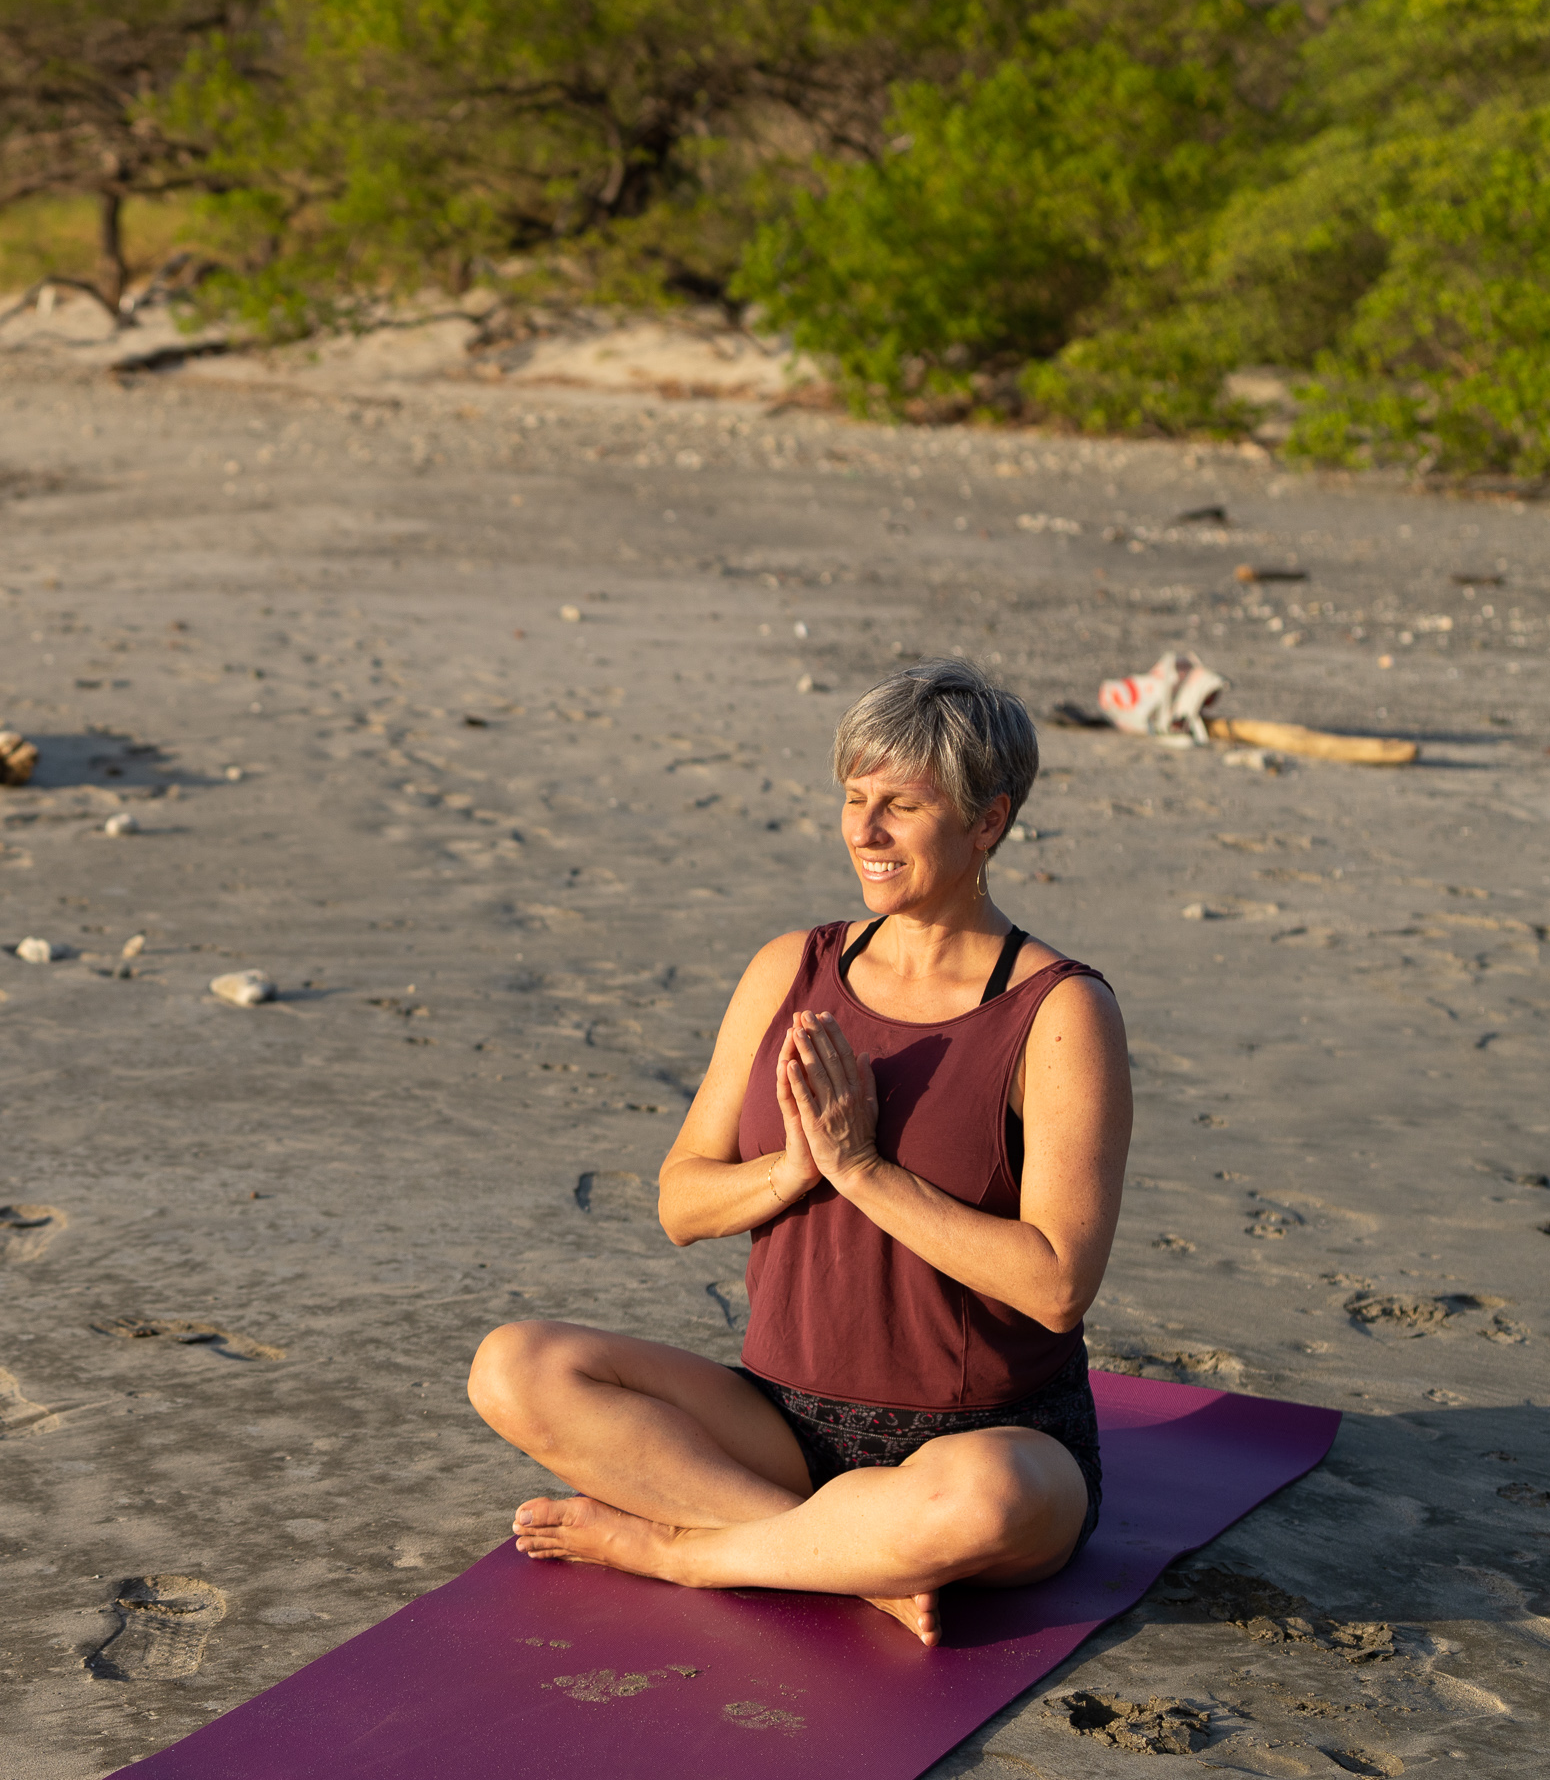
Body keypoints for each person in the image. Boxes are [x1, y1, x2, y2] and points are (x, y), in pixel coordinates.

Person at [467, 659, 1129, 1644]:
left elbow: (1054, 1286)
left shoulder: (1059, 1011)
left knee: (984, 1503)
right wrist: (793, 1171)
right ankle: (838, 1557)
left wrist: (864, 1171)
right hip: (781, 1427)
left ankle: (692, 1553)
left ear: (985, 822)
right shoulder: (791, 967)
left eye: (899, 807)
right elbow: (680, 1206)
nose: (863, 833)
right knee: (513, 1367)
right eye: (853, 800)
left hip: (983, 1440)